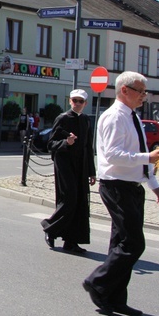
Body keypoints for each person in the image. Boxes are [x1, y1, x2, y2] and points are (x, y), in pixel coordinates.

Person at [83, 71, 159, 316]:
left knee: (120, 243)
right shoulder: (113, 117)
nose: (144, 96)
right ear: (125, 90)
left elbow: (139, 152)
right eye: (140, 91)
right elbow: (112, 154)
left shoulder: (133, 117)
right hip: (116, 185)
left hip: (131, 186)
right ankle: (98, 281)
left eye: (144, 91)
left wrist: (153, 184)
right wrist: (146, 157)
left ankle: (114, 298)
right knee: (132, 243)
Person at [41, 89, 96, 254]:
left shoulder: (86, 120)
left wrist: (92, 171)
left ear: (85, 104)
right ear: (70, 101)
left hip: (81, 167)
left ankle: (71, 241)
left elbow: (88, 147)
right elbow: (51, 144)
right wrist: (66, 142)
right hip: (64, 164)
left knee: (80, 202)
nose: (77, 104)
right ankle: (50, 228)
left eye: (81, 101)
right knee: (69, 199)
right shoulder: (63, 118)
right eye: (75, 100)